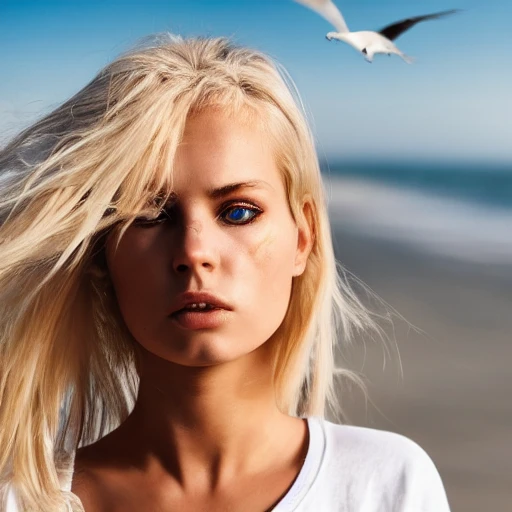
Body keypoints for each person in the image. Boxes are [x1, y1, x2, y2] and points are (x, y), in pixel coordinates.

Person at [0, 35, 450, 512]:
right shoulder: (20, 500)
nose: (194, 252)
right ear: (100, 256)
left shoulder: (386, 484)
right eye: (149, 215)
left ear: (303, 238)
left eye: (238, 212)